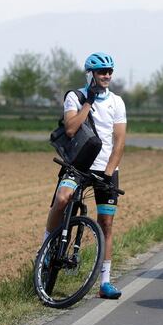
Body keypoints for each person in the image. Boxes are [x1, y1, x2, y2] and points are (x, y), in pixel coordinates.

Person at [43, 52, 127, 299]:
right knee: (62, 198)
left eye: (110, 71)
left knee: (107, 224)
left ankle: (105, 281)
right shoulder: (75, 97)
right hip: (79, 165)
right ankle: (47, 248)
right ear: (90, 74)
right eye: (102, 72)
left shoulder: (117, 102)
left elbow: (119, 140)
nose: (107, 76)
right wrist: (88, 102)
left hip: (106, 169)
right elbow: (70, 129)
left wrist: (109, 171)